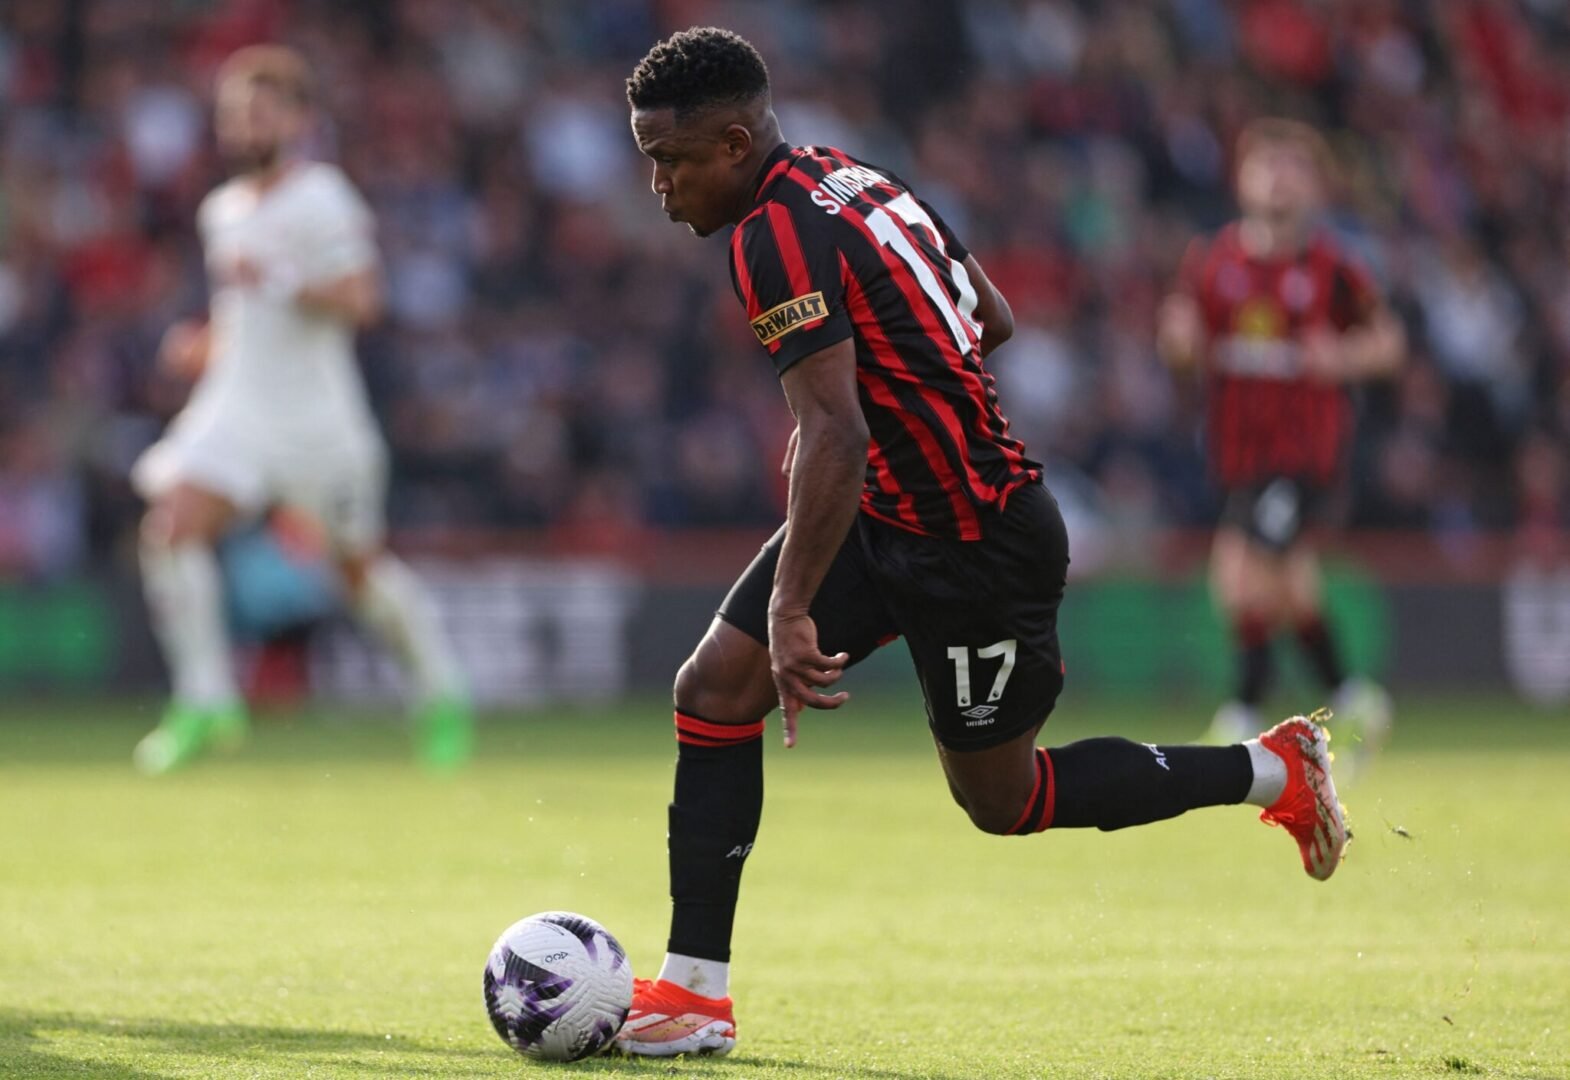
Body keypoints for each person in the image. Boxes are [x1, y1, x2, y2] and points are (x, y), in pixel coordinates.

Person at [616, 28, 1349, 1057]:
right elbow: (989, 317)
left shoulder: (769, 237)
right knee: (714, 689)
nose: (657, 184)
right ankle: (694, 994)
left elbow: (834, 430)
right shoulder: (851, 177)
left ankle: (1272, 769)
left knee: (1003, 801)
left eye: (669, 159)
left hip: (975, 542)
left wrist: (791, 605)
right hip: (890, 512)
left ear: (734, 143)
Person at [130, 46, 472, 774]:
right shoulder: (219, 210)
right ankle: (206, 701)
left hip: (318, 423)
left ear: (296, 119)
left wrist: (283, 277)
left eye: (261, 111)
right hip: (238, 409)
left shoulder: (322, 197)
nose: (245, 126)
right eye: (233, 114)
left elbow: (362, 299)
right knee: (172, 524)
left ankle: (442, 695)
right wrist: (205, 344)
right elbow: (245, 316)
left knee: (358, 574)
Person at [1157, 119, 1404, 750]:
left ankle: (1244, 715)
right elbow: (1180, 335)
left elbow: (1388, 343)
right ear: (1241, 181)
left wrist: (1343, 357)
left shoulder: (1332, 267)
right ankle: (1354, 699)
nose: (1278, 181)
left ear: (1316, 187)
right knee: (1289, 581)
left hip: (1303, 451)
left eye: (1293, 169)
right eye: (1266, 167)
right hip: (1238, 450)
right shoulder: (1214, 262)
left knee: (1237, 570)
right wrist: (1179, 342)